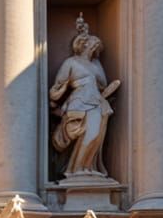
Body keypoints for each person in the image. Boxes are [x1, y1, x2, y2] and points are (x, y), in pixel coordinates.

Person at [50, 15, 120, 178]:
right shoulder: (71, 62)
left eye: (97, 46)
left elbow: (103, 84)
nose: (96, 48)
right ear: (84, 45)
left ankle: (87, 168)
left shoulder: (96, 64)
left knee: (96, 135)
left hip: (97, 101)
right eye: (94, 45)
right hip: (79, 101)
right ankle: (76, 170)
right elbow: (58, 86)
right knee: (89, 133)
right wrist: (54, 101)